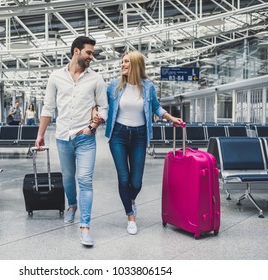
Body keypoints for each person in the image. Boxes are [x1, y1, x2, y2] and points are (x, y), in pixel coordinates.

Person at [35, 36, 108, 247]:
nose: (91, 57)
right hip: (62, 137)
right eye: (89, 52)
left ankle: (85, 226)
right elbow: (48, 108)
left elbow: (104, 107)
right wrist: (40, 134)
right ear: (76, 51)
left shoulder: (96, 79)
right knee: (68, 177)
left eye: (92, 53)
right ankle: (72, 205)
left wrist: (92, 126)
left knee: (85, 179)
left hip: (85, 137)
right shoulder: (56, 77)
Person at [105, 51, 183, 235]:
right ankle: (130, 216)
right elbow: (102, 105)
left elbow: (155, 106)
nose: (122, 65)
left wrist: (171, 118)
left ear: (135, 64)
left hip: (140, 135)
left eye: (126, 62)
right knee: (124, 178)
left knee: (137, 182)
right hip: (118, 135)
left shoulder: (148, 86)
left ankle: (130, 199)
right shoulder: (113, 86)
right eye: (122, 62)